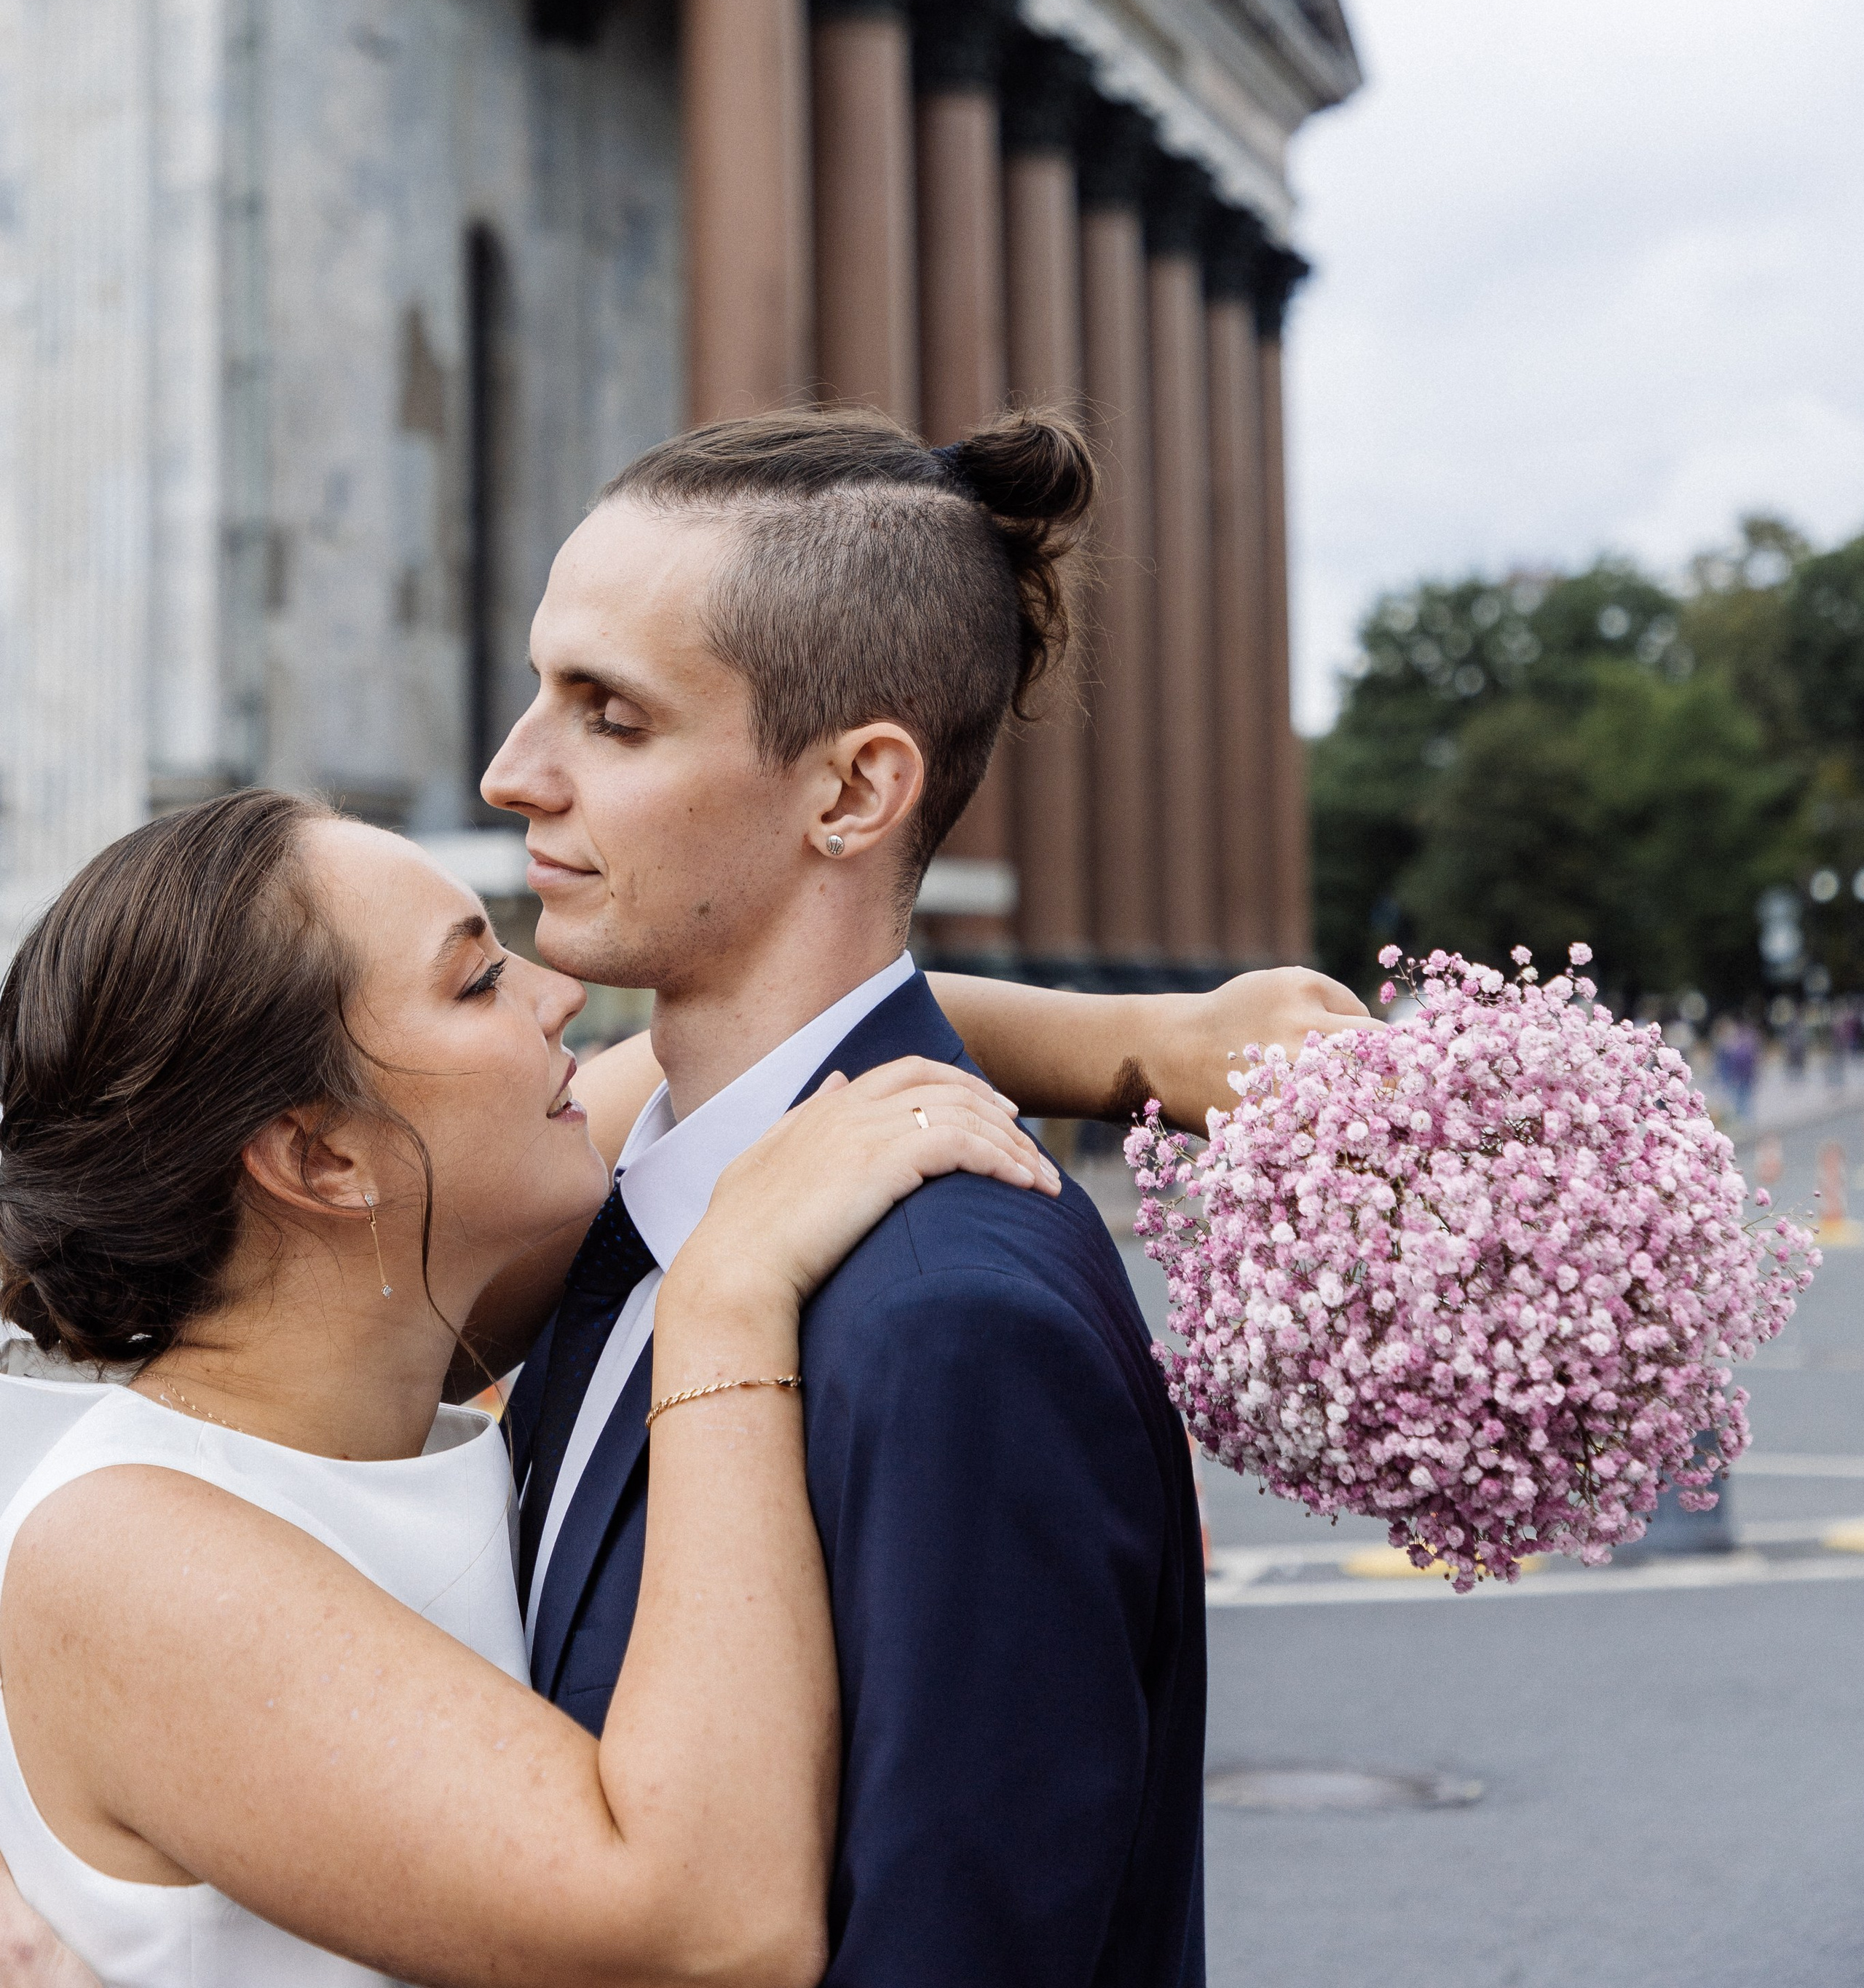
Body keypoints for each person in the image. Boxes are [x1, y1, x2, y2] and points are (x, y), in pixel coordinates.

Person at [475, 406, 1367, 1988]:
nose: (508, 775)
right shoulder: (614, 1189)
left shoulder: (954, 1322)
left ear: (850, 793)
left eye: (605, 715)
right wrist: (1130, 1044)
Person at [0, 788, 1059, 1986]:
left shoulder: (379, 1360)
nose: (557, 992)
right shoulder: (133, 1560)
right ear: (322, 1157)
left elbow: (768, 1045)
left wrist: (1169, 1043)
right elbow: (710, 1932)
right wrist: (725, 1300)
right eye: (476, 982)